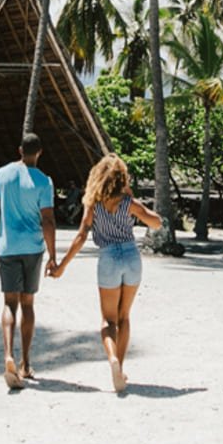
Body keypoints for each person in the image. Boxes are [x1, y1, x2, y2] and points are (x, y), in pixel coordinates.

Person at [51, 153, 162, 394]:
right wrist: (132, 198)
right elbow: (156, 222)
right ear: (122, 178)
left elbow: (81, 235)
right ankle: (120, 367)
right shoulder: (129, 203)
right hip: (131, 256)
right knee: (124, 317)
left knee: (108, 321)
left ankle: (112, 359)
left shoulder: (93, 203)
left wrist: (62, 265)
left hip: (109, 257)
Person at [0, 132, 57, 391]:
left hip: (8, 247)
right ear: (39, 153)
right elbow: (47, 220)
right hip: (32, 249)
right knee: (27, 304)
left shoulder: (2, 175)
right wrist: (53, 255)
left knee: (9, 303)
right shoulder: (44, 181)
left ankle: (8, 355)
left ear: (19, 150)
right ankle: (26, 363)